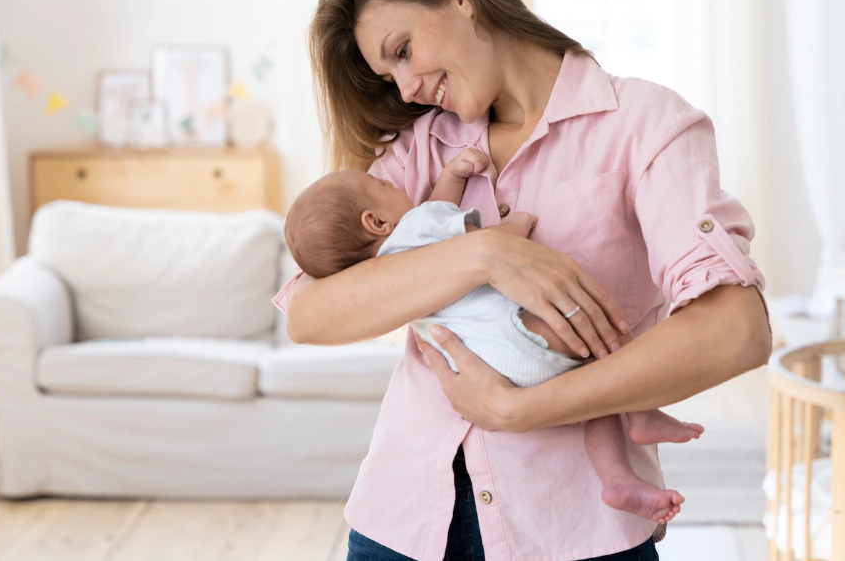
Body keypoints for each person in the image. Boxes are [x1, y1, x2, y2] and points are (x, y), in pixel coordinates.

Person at [274, 0, 772, 560]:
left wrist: (522, 410)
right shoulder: (419, 150)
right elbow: (311, 316)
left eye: (402, 50)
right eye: (387, 74)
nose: (403, 89)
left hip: (577, 528)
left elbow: (737, 330)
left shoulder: (645, 126)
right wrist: (484, 253)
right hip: (402, 522)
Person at [284, 154, 703, 525]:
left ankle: (619, 482)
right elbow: (482, 240)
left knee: (597, 402)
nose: (391, 183)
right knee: (604, 329)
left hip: (487, 365)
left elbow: (436, 207)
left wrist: (450, 172)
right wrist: (518, 224)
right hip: (519, 332)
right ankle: (641, 416)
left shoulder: (384, 273)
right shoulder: (415, 229)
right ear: (375, 221)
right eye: (383, 187)